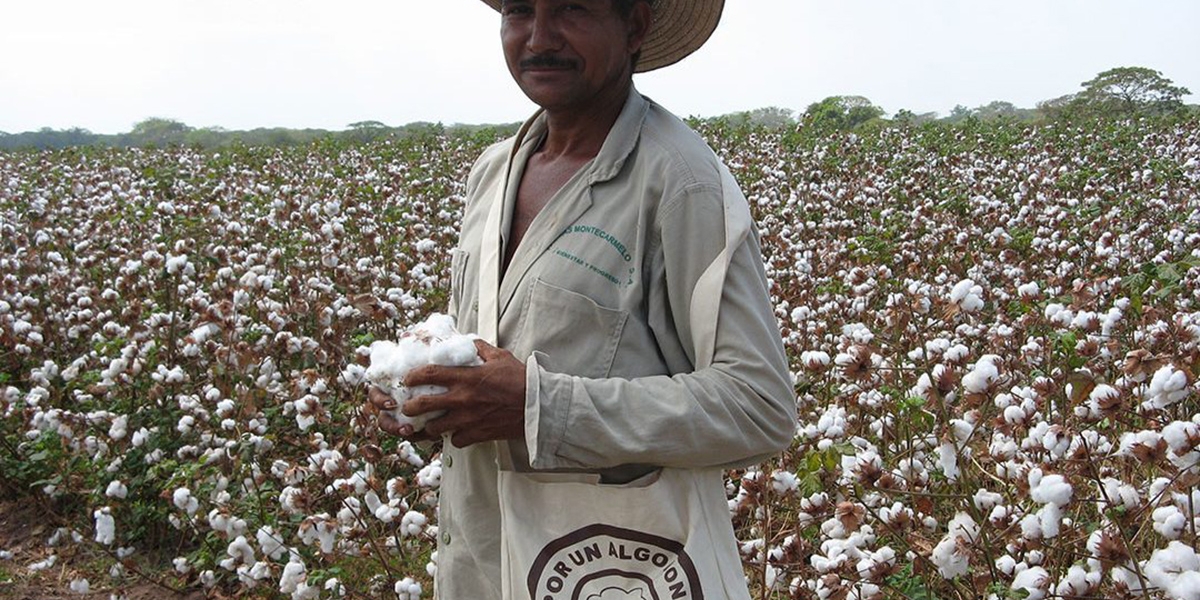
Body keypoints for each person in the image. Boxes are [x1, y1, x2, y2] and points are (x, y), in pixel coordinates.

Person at [369, 0, 795, 597]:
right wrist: (433, 395)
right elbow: (491, 357)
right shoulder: (492, 172)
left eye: (571, 7)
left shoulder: (682, 183)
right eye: (520, 9)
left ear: (634, 25)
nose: (540, 37)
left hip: (613, 570)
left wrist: (543, 408)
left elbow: (758, 405)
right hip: (480, 566)